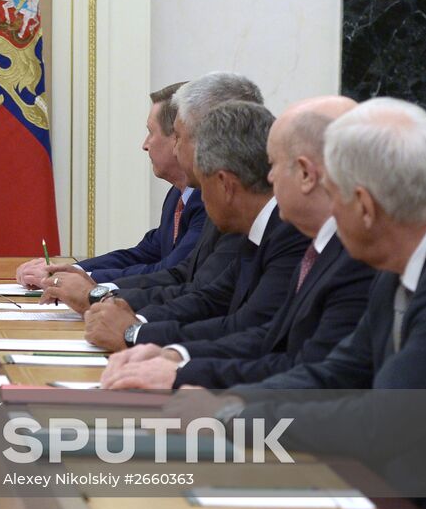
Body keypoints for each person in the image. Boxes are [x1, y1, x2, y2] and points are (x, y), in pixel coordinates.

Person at [206, 99, 426, 493]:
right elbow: (339, 373)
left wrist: (235, 419)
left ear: (363, 205)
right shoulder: (407, 260)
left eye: (333, 197)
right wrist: (236, 402)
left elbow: (380, 424)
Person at [102, 96, 374, 389]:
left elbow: (310, 370)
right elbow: (267, 335)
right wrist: (174, 355)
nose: (267, 177)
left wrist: (181, 372)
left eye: (274, 164)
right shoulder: (313, 242)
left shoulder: (347, 254)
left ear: (307, 174)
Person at [82, 101, 309, 351]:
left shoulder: (289, 234)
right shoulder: (257, 230)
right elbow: (213, 298)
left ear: (225, 184)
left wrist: (134, 333)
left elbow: (248, 327)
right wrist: (133, 325)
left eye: (203, 185)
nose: (272, 178)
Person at [39, 72, 263, 313]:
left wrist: (102, 300)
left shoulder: (232, 208)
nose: (174, 149)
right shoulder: (192, 195)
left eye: (179, 137)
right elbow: (183, 275)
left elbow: (203, 296)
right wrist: (88, 283)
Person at [14, 82, 204, 288]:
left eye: (151, 132)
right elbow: (145, 253)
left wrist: (86, 280)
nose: (145, 144)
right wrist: (71, 271)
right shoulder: (177, 196)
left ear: (176, 138)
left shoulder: (206, 202)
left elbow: (170, 272)